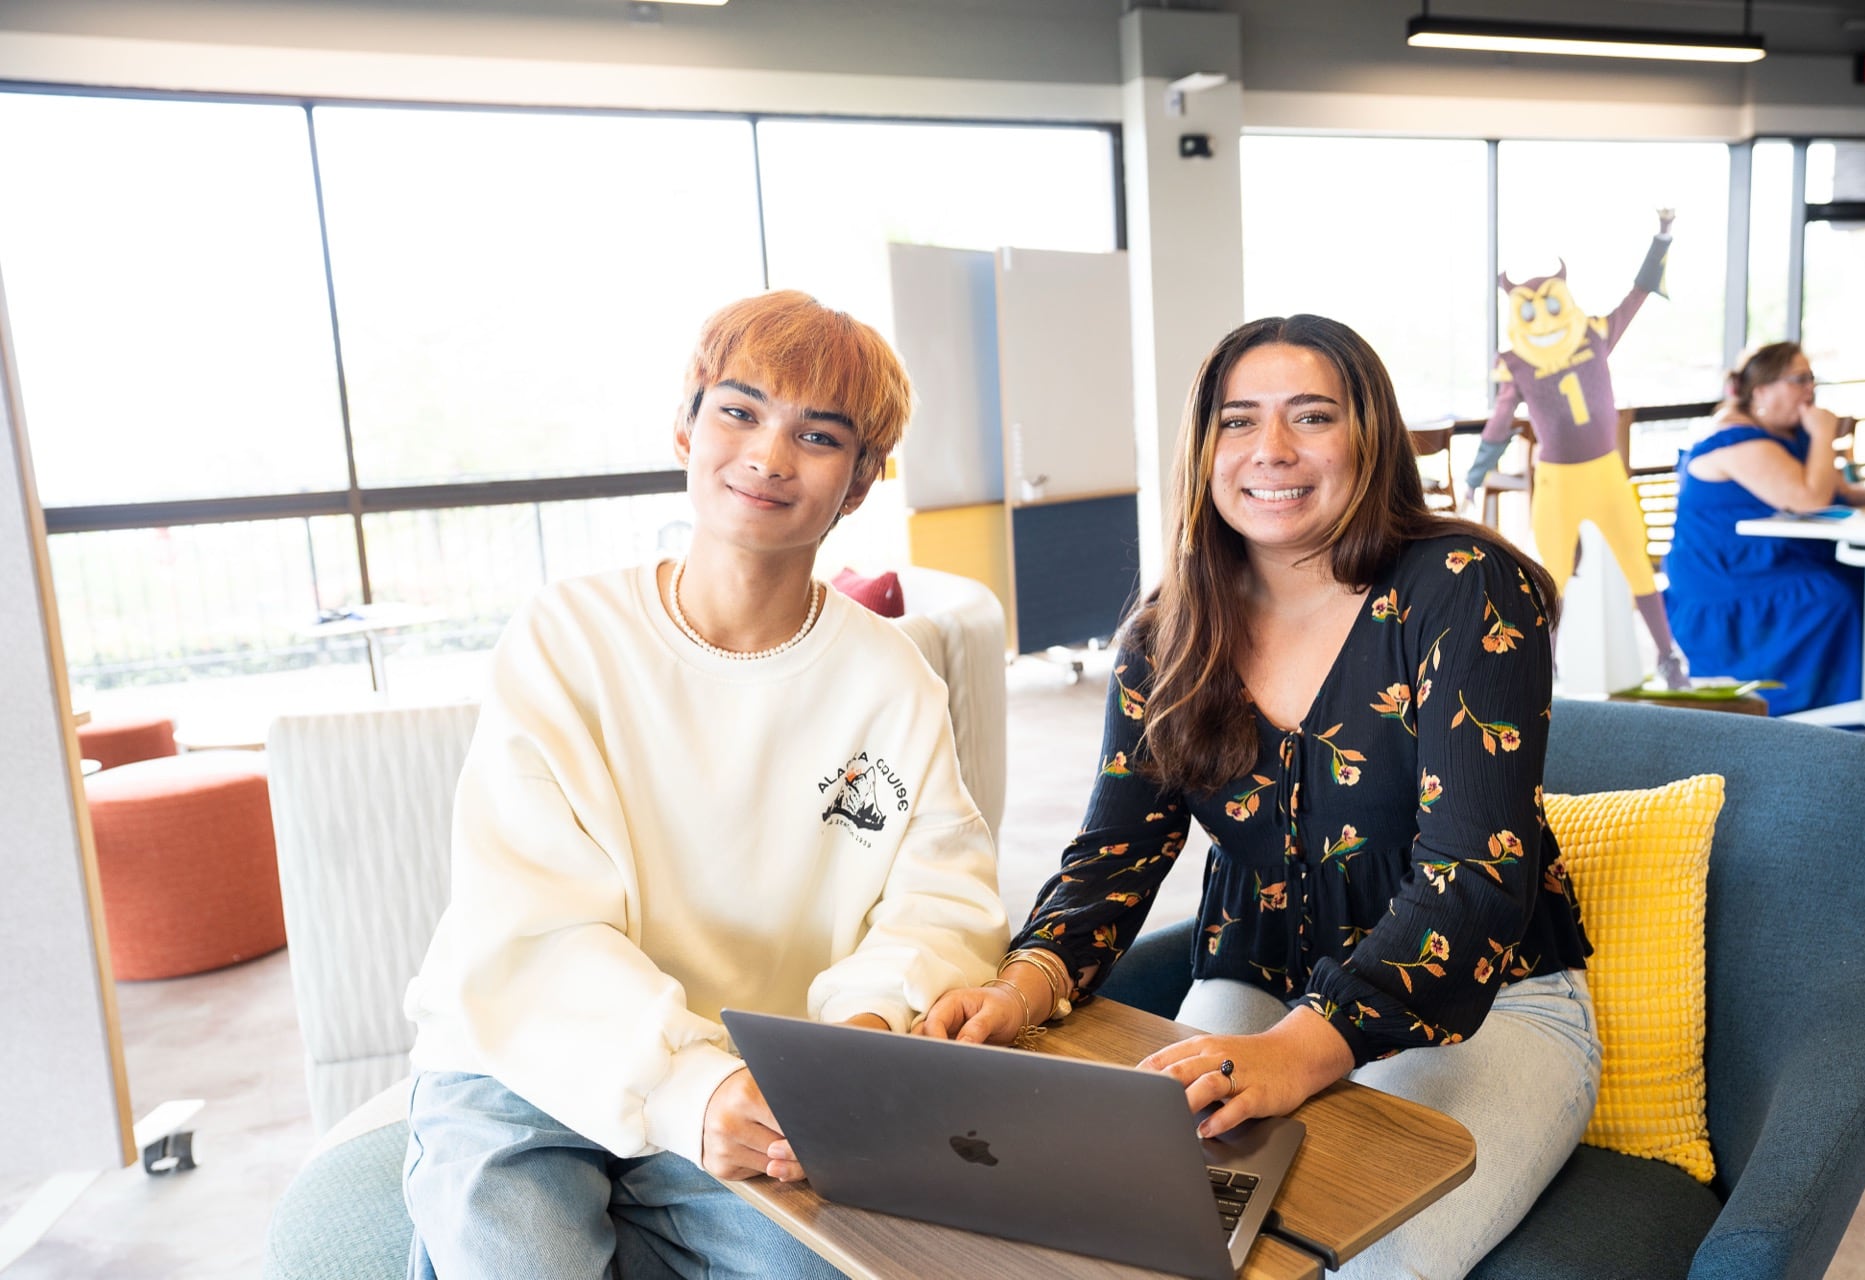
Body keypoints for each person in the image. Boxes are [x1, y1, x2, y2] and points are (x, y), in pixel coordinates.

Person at [921, 315, 1598, 1280]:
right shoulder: (1166, 636)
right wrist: (1018, 988)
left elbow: (1474, 878)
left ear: (1369, 437)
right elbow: (1116, 852)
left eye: (1311, 416)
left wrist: (1300, 1052)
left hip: (1492, 1004)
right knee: (1145, 1238)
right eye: (1238, 422)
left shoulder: (1467, 587)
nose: (1271, 451)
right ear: (1205, 451)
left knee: (1374, 1261)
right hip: (1257, 980)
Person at [402, 290, 1010, 1280]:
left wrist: (862, 1028)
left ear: (860, 481)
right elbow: (533, 923)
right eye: (740, 410)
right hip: (528, 1057)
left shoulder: (892, 677)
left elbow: (940, 896)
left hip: (762, 1083)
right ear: (685, 424)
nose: (770, 454)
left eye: (818, 434)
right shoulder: (566, 637)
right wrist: (687, 1088)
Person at [1460, 210, 1687, 689]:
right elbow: (1500, 422)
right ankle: (1546, 670)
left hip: (1605, 473)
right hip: (1558, 481)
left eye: (1550, 304)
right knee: (1552, 576)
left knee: (1636, 560)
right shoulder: (1516, 361)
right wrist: (1475, 476)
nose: (1543, 318)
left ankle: (1668, 657)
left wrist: (1661, 239)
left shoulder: (1595, 333)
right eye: (1530, 309)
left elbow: (1638, 294)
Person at [1662, 340, 1865, 715]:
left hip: (1780, 561)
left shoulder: (1785, 434)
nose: (1810, 390)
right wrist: (1822, 434)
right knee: (1835, 594)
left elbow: (1837, 491)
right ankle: (1838, 709)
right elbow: (1811, 499)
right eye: (1799, 379)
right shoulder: (1737, 440)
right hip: (1731, 579)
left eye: (1811, 378)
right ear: (1761, 391)